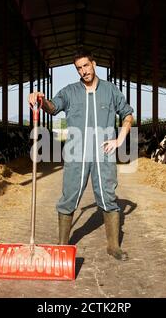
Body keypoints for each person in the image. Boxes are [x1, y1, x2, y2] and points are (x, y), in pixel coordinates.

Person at [28, 48, 134, 261]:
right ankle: (61, 246)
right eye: (79, 68)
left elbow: (128, 114)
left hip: (103, 153)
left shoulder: (111, 90)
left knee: (108, 197)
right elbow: (52, 107)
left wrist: (120, 139)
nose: (84, 71)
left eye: (86, 65)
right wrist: (40, 99)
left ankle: (113, 246)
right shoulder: (69, 91)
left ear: (93, 64)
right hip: (76, 153)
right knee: (69, 196)